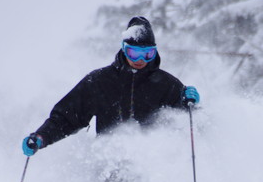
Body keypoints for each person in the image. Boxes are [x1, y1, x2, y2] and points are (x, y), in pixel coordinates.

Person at [22, 16, 200, 156]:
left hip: (154, 169)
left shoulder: (166, 84)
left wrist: (191, 103)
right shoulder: (99, 82)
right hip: (110, 167)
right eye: (134, 53)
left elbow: (193, 121)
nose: (140, 60)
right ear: (124, 49)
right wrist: (41, 136)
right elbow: (67, 117)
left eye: (147, 54)